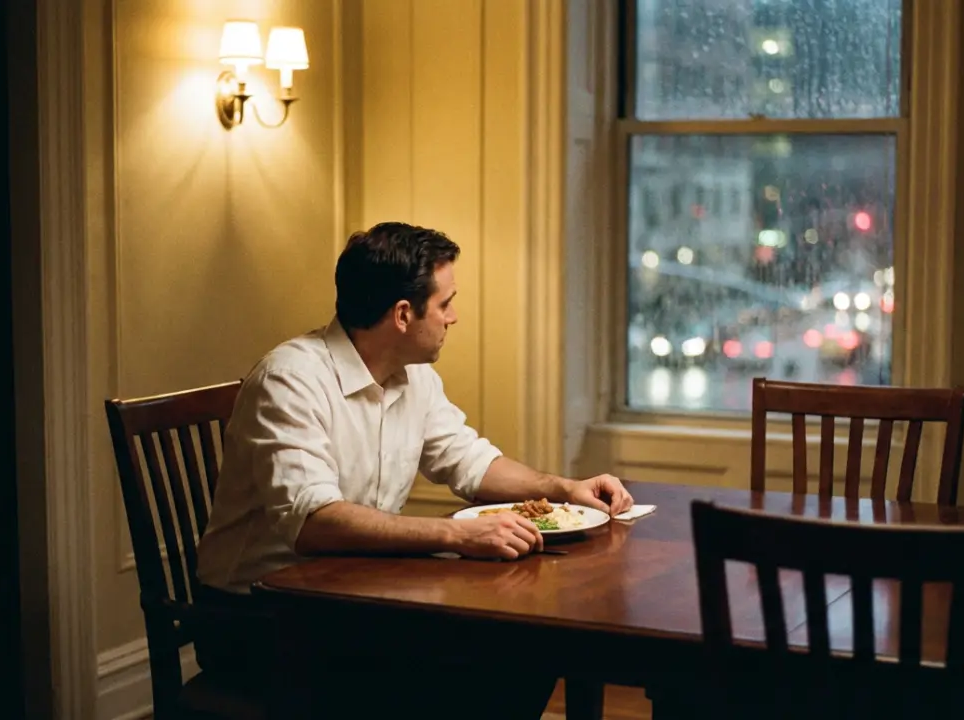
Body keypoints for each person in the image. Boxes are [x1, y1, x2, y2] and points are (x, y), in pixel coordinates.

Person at [194, 221, 634, 717]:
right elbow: (314, 523)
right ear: (403, 314)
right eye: (445, 304)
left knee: (524, 650)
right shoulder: (290, 380)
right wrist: (459, 537)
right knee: (483, 664)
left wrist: (563, 488)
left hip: (349, 598)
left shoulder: (414, 377)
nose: (454, 317)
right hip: (258, 618)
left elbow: (469, 461)